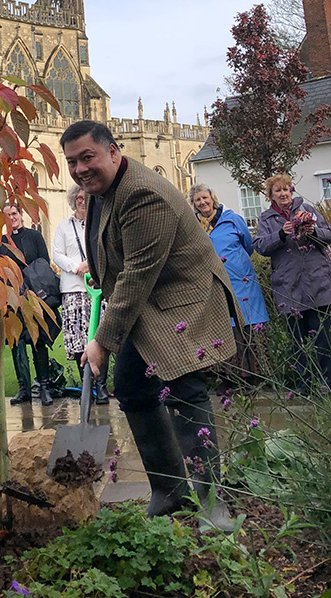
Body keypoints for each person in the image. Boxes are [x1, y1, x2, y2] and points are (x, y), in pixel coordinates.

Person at [61, 120, 240, 532]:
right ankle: (170, 491)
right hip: (147, 302)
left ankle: (213, 505)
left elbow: (138, 274)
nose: (80, 169)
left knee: (184, 389)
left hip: (182, 298)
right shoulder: (102, 191)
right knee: (130, 387)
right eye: (72, 162)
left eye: (87, 157)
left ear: (113, 151)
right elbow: (112, 255)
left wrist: (102, 341)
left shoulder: (143, 193)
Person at [252, 174, 331, 389]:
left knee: (323, 337)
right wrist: (280, 234)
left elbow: (328, 234)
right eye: (277, 190)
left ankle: (326, 383)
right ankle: (305, 384)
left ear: (291, 191)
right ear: (271, 195)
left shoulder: (307, 209)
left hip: (318, 284)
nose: (283, 194)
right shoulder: (267, 219)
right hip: (288, 288)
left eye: (286, 189)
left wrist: (313, 231)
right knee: (298, 341)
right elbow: (259, 246)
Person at [189, 184, 269, 387]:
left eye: (205, 198)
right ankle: (231, 379)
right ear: (194, 204)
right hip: (214, 285)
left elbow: (248, 245)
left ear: (212, 198)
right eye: (198, 200)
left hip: (242, 282)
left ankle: (256, 377)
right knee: (226, 329)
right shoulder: (194, 226)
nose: (203, 202)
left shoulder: (232, 219)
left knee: (248, 326)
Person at [52, 185, 109, 404]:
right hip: (74, 290)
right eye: (78, 198)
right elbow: (57, 254)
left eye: (86, 197)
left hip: (98, 288)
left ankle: (101, 387)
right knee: (78, 340)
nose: (82, 201)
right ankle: (88, 386)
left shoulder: (99, 223)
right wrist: (77, 267)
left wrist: (92, 266)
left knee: (100, 336)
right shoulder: (64, 226)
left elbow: (106, 249)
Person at [0, 204, 59, 407]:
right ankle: (23, 388)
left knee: (38, 341)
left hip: (34, 298)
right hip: (12, 299)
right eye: (7, 215)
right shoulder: (1, 242)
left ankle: (44, 387)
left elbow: (44, 264)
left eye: (14, 213)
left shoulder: (34, 236)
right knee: (17, 344)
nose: (12, 218)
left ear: (21, 214)